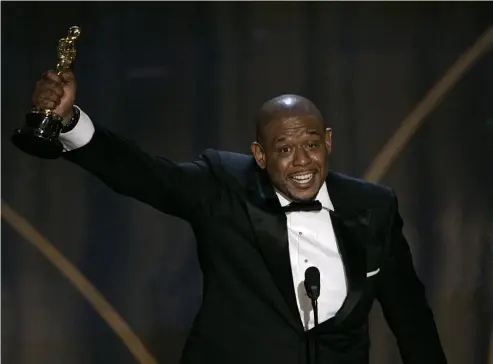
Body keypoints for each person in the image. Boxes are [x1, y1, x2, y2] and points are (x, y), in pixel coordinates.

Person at [29, 70, 448, 364]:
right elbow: (149, 177)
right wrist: (68, 121)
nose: (302, 161)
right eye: (284, 149)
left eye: (312, 145)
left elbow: (410, 318)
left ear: (329, 143)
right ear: (260, 155)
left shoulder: (374, 205)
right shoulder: (225, 186)